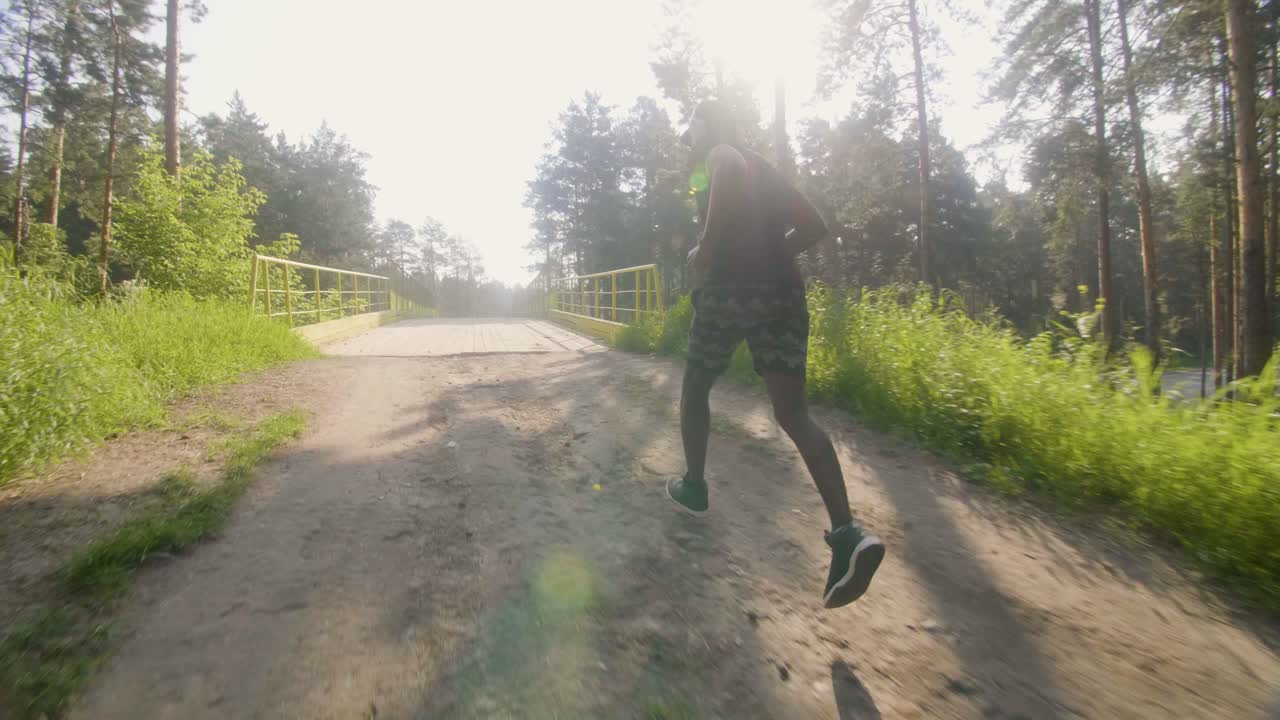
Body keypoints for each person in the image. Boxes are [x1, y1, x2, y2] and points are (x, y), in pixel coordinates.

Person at [666, 100, 885, 609]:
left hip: (729, 290)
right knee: (793, 413)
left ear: (709, 127)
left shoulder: (723, 152)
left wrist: (707, 248)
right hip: (784, 294)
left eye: (691, 133)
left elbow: (727, 167)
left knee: (695, 387)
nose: (690, 145)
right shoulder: (768, 171)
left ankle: (695, 486)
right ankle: (848, 533)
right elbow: (815, 225)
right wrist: (771, 254)